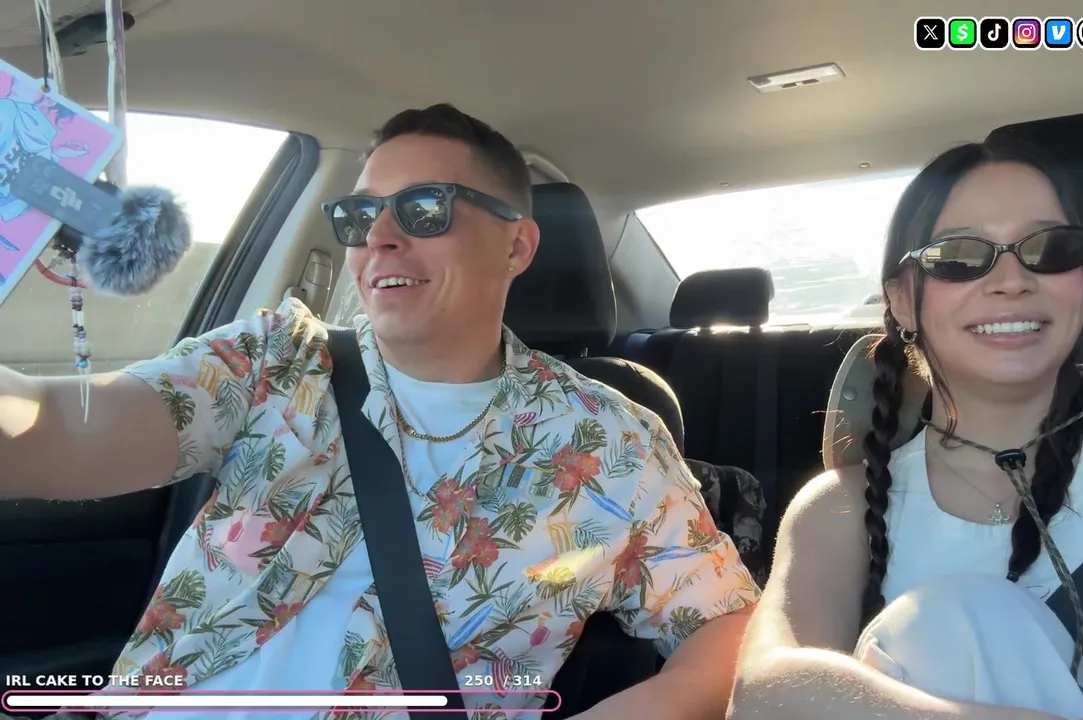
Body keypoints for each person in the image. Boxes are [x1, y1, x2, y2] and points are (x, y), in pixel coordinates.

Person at [0, 104, 759, 720]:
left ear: (517, 246)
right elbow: (55, 428)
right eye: (360, 214)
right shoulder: (272, 363)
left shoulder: (610, 439)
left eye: (426, 209)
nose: (380, 238)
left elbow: (727, 621)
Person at [727, 139, 1083, 720]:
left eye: (1052, 249)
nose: (1012, 280)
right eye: (958, 256)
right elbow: (762, 693)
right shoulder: (843, 507)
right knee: (946, 620)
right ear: (903, 301)